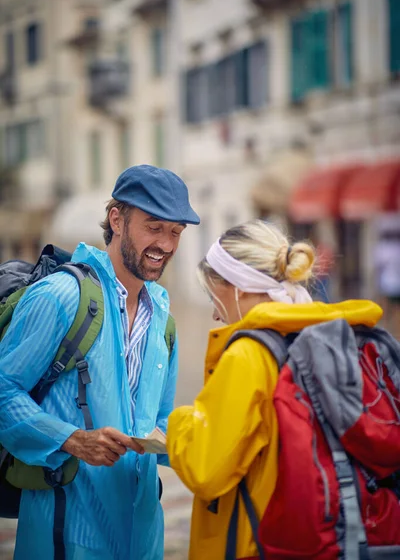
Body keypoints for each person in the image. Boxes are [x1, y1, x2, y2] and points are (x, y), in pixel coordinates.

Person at [0, 164, 200, 560]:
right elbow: (4, 391)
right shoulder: (60, 296)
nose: (166, 243)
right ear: (117, 219)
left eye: (175, 232)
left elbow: (158, 426)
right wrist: (73, 440)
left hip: (144, 535)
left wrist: (202, 447)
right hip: (65, 530)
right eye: (154, 226)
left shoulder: (164, 321)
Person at [166, 219, 384, 560]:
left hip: (259, 543)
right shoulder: (333, 336)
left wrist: (180, 423)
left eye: (214, 294)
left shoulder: (248, 354)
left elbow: (205, 470)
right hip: (334, 536)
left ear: (237, 286)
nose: (214, 312)